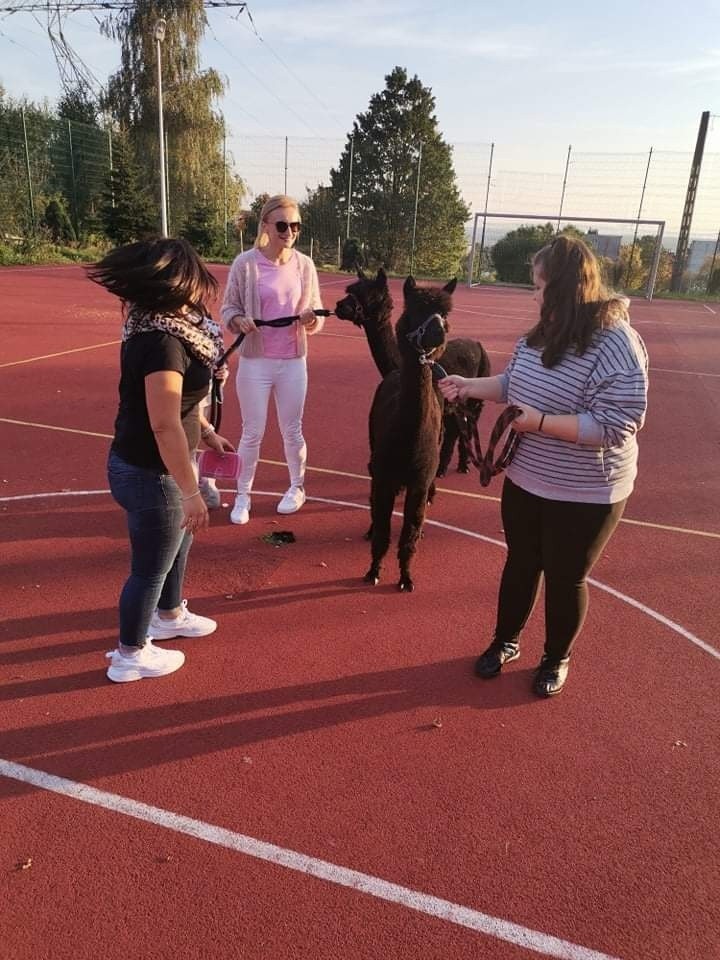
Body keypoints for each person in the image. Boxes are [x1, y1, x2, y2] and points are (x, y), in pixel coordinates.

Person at [439, 235, 648, 697]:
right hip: (528, 476)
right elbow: (514, 382)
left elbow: (618, 424)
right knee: (521, 562)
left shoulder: (617, 343)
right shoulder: (542, 331)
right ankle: (505, 641)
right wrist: (468, 386)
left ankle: (556, 658)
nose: (533, 294)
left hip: (588, 490)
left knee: (565, 575)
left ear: (565, 288)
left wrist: (542, 423)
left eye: (539, 285)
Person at [88, 238, 235, 683]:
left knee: (177, 543)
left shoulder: (168, 328)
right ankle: (130, 652)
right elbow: (164, 423)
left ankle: (169, 615)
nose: (201, 291)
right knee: (150, 566)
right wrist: (190, 491)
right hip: (150, 473)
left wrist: (206, 433)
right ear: (176, 283)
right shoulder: (162, 341)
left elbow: (185, 409)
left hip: (155, 467)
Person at [221, 194, 325, 525]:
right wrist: (238, 321)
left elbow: (318, 313)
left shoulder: (305, 265)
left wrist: (312, 320)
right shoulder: (245, 263)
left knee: (292, 430)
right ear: (265, 224)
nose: (289, 232)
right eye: (282, 225)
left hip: (293, 361)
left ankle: (297, 486)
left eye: (295, 225)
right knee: (252, 432)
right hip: (255, 361)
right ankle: (242, 495)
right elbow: (229, 308)